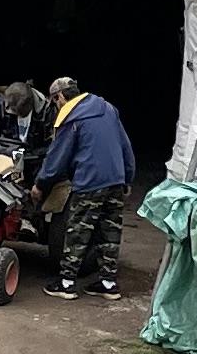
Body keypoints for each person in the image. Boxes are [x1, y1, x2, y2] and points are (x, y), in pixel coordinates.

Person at [33, 73, 138, 296]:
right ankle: (108, 284)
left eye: (55, 100)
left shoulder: (71, 117)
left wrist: (41, 184)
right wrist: (127, 177)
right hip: (115, 180)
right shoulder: (108, 108)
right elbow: (125, 145)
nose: (56, 105)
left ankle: (67, 283)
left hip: (90, 181)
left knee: (78, 231)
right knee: (109, 231)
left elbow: (57, 157)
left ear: (60, 96)